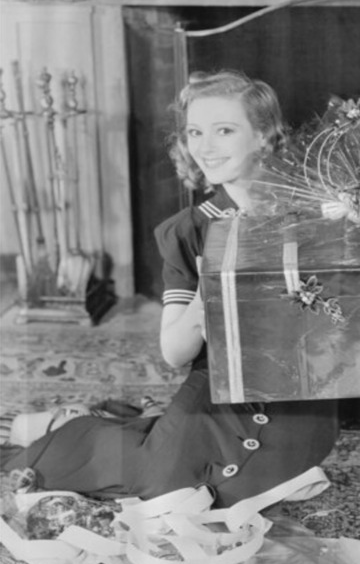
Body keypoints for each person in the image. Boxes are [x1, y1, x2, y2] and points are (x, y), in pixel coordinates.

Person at [2, 71, 339, 510]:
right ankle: (69, 431)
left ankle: (119, 425)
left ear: (261, 135)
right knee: (165, 485)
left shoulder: (318, 211)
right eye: (196, 132)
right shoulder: (186, 233)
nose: (206, 146)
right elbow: (175, 354)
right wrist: (210, 289)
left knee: (226, 488)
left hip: (301, 393)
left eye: (224, 130)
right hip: (217, 387)